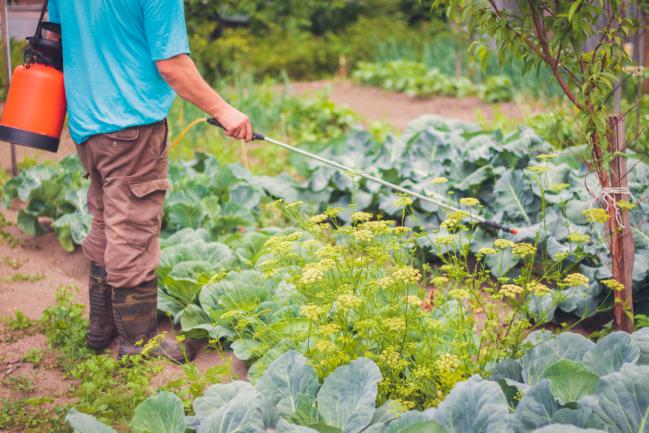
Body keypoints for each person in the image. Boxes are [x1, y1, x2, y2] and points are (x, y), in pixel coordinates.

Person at [47, 0, 253, 362]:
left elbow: (58, 37)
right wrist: (224, 110)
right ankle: (138, 343)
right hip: (130, 126)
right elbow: (172, 66)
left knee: (105, 219)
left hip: (86, 124)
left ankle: (102, 327)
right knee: (133, 230)